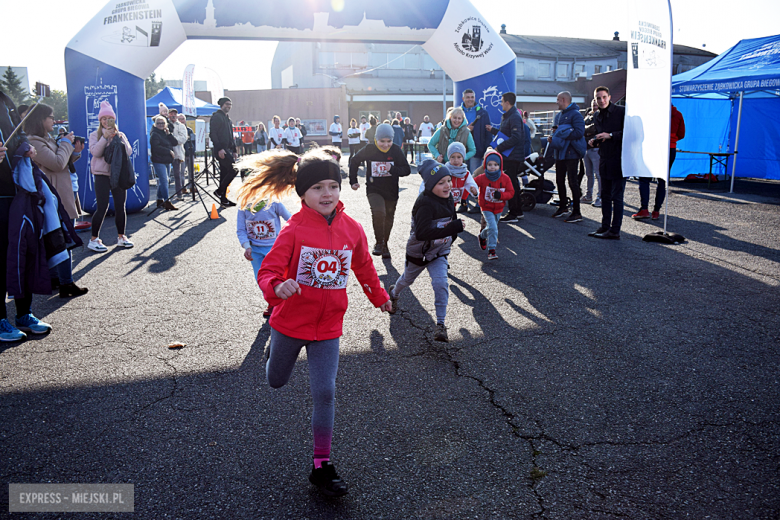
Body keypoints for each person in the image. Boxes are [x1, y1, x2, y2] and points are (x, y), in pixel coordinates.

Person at [251, 148, 392, 497]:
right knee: (275, 381)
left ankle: (321, 465)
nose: (327, 193)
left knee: (325, 392)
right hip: (289, 324)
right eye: (317, 188)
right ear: (302, 194)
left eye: (333, 185)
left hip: (328, 327)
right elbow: (268, 271)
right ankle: (273, 355)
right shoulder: (293, 230)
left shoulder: (352, 229)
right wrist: (276, 287)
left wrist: (380, 297)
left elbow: (363, 267)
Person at [387, 160, 465, 342]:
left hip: (439, 252)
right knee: (407, 279)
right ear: (430, 186)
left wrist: (451, 238)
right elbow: (422, 233)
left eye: (448, 180)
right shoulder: (424, 203)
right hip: (419, 252)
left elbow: (451, 221)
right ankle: (393, 293)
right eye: (441, 182)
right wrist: (453, 227)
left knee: (440, 283)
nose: (447, 186)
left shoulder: (449, 197)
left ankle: (441, 325)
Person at [0, 91, 54, 339]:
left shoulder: (4, 98)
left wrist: (26, 146)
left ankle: (23, 314)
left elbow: (17, 132)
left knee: (25, 252)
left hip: (18, 191)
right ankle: (1, 320)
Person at [24, 103, 88, 297]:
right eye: (50, 117)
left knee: (59, 239)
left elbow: (62, 161)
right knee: (63, 240)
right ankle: (66, 283)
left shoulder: (46, 139)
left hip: (60, 193)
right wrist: (66, 144)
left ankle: (57, 280)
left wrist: (74, 151)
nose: (54, 120)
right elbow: (57, 163)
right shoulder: (33, 141)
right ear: (40, 120)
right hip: (53, 198)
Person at [348, 123, 411, 259]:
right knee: (378, 212)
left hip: (391, 190)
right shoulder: (370, 149)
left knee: (388, 217)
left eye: (389, 141)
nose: (385, 145)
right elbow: (354, 161)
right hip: (374, 188)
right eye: (382, 141)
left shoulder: (395, 150)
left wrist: (393, 169)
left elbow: (407, 170)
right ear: (376, 139)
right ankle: (378, 242)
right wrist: (353, 181)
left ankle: (385, 245)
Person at [235, 179, 292, 317]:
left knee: (280, 276)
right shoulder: (243, 207)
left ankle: (282, 303)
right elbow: (241, 230)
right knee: (262, 279)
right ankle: (272, 302)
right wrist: (246, 246)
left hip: (275, 249)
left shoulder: (273, 202)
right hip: (255, 251)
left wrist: (290, 238)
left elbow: (290, 219)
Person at [88, 100, 136, 250]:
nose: (106, 121)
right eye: (103, 119)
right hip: (101, 175)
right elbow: (96, 152)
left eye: (109, 118)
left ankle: (121, 237)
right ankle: (94, 239)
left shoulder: (120, 135)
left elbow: (128, 152)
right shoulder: (94, 135)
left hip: (118, 174)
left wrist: (117, 138)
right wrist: (104, 138)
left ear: (114, 120)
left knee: (120, 206)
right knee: (102, 206)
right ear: (100, 121)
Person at [633, 104, 685, 220]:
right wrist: (672, 139)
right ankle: (656, 211)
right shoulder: (678, 114)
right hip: (670, 149)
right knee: (662, 181)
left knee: (644, 178)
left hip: (653, 147)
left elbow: (643, 132)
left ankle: (644, 209)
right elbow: (681, 134)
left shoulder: (653, 113)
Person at [588, 86, 626, 240]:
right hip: (604, 158)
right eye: (598, 98)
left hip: (620, 159)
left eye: (604, 97)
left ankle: (615, 230)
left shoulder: (621, 111)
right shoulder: (597, 116)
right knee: (605, 195)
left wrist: (611, 135)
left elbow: (630, 134)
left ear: (610, 97)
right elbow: (602, 137)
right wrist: (595, 141)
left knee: (617, 196)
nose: (601, 100)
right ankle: (605, 226)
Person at [486, 92, 526, 223]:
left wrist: (499, 148)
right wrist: (493, 130)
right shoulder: (509, 116)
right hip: (510, 156)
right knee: (512, 183)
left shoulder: (514, 116)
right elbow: (505, 134)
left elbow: (515, 137)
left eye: (502, 101)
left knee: (511, 184)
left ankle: (514, 212)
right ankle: (517, 211)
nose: (501, 104)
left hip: (512, 157)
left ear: (507, 102)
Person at [548, 91, 586, 223]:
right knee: (559, 180)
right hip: (559, 153)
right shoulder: (559, 115)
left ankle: (577, 212)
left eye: (558, 100)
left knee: (572, 182)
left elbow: (580, 132)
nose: (557, 102)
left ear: (564, 100)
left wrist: (562, 133)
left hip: (571, 154)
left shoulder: (576, 114)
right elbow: (559, 131)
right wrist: (555, 135)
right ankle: (563, 206)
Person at [475, 149, 515, 260]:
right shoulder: (482, 177)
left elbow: (511, 192)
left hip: (498, 208)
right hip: (486, 207)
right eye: (490, 164)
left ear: (500, 165)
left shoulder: (505, 178)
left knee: (491, 228)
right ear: (485, 165)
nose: (493, 167)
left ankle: (482, 236)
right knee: (493, 227)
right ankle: (491, 250)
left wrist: (501, 196)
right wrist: (470, 192)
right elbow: (472, 184)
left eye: (496, 164)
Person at [209, 97, 238, 207]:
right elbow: (213, 134)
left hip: (228, 149)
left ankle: (223, 200)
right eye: (227, 104)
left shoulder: (228, 119)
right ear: (221, 105)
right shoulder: (217, 117)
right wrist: (220, 148)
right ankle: (220, 191)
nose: (229, 106)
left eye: (230, 104)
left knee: (224, 174)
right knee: (234, 169)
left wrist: (234, 150)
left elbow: (231, 136)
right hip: (221, 149)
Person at [149, 115, 179, 211]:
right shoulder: (154, 134)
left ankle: (159, 199)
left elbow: (175, 142)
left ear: (166, 124)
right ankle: (167, 201)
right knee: (164, 180)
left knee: (165, 180)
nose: (161, 125)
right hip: (158, 160)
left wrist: (169, 134)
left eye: (162, 123)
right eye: (158, 123)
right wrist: (169, 151)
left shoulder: (165, 133)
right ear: (155, 124)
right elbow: (156, 147)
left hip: (167, 160)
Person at [461, 89, 491, 174]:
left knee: (474, 176)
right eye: (468, 97)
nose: (470, 99)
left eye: (472, 97)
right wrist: (467, 129)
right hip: (461, 151)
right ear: (463, 99)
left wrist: (486, 150)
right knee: (462, 175)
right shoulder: (458, 112)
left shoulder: (483, 113)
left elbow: (488, 133)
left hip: (477, 151)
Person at [582, 99, 601, 206]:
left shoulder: (600, 116)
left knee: (598, 175)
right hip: (586, 148)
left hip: (596, 148)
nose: (594, 107)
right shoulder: (588, 116)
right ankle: (588, 195)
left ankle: (600, 197)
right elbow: (585, 129)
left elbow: (594, 128)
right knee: (589, 174)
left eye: (596, 105)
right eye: (593, 105)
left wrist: (584, 129)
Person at [167, 108, 188, 201]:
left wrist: (172, 139)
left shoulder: (181, 126)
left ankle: (179, 194)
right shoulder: (164, 124)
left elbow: (183, 139)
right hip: (165, 152)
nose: (173, 115)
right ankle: (163, 196)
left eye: (174, 114)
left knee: (177, 174)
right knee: (165, 176)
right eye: (171, 114)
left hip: (177, 153)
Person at [178, 113, 194, 195]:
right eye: (179, 119)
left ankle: (192, 186)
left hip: (190, 153)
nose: (181, 120)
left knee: (191, 171)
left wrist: (193, 151)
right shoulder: (176, 130)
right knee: (182, 172)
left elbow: (193, 142)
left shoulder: (189, 130)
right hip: (182, 154)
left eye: (182, 119)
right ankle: (183, 187)